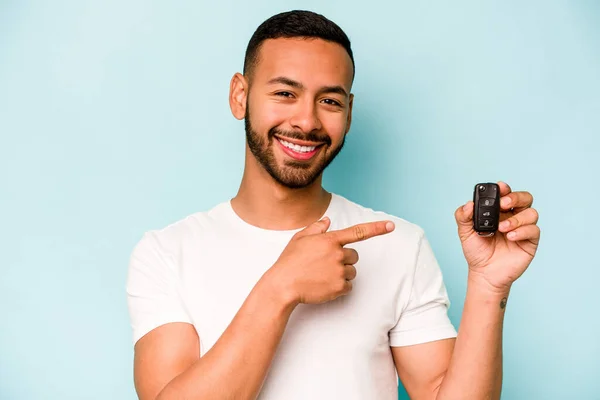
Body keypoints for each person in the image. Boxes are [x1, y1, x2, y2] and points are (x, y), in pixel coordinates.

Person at [126, 10, 541, 400]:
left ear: (349, 111)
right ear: (240, 96)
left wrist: (489, 286)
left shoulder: (400, 244)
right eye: (285, 92)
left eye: (329, 101)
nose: (307, 122)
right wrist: (280, 288)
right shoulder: (166, 253)